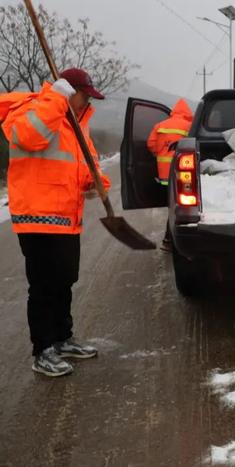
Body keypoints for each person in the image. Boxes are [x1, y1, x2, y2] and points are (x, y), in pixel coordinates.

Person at [1, 68, 111, 377]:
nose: (88, 100)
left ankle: (63, 338)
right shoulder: (33, 109)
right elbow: (27, 137)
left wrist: (96, 181)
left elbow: (84, 163)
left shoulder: (77, 124)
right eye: (84, 94)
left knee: (65, 280)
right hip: (36, 215)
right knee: (44, 285)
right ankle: (43, 350)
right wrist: (56, 100)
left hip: (66, 215)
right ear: (67, 91)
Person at [146, 98, 192, 251]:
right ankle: (171, 240)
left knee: (172, 206)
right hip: (181, 174)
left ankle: (169, 240)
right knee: (178, 207)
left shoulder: (160, 125)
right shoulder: (188, 126)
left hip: (163, 175)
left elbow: (150, 144)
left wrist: (159, 154)